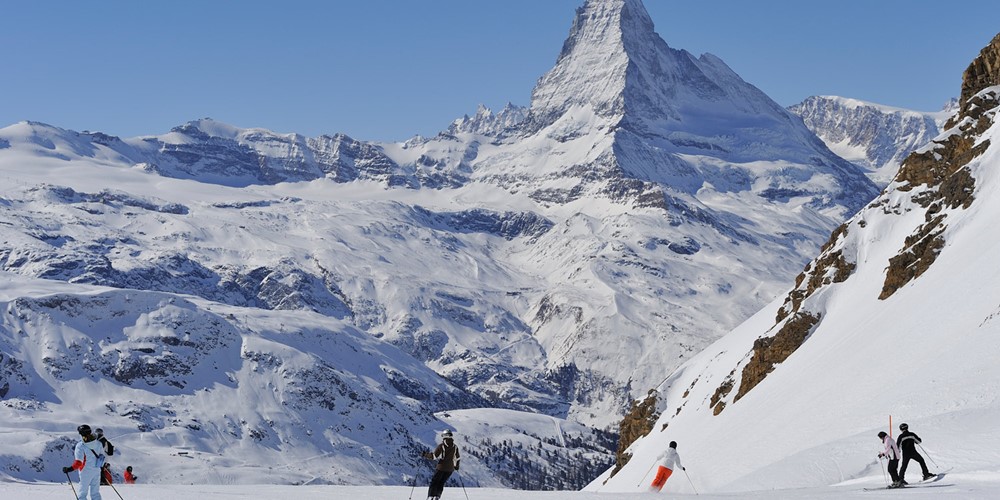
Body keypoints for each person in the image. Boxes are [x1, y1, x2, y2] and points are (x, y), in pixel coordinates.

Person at [62, 424, 107, 500]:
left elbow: (79, 462)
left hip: (85, 472)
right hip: (96, 471)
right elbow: (102, 458)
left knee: (82, 493)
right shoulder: (98, 444)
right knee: (95, 493)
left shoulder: (81, 446)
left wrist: (69, 469)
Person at [422, 430, 460, 500]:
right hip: (450, 469)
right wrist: (456, 466)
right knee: (441, 482)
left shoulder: (442, 446)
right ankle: (437, 496)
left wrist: (425, 455)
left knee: (434, 482)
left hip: (441, 467)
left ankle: (431, 496)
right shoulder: (455, 447)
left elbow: (434, 456)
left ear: (445, 436)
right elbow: (457, 458)